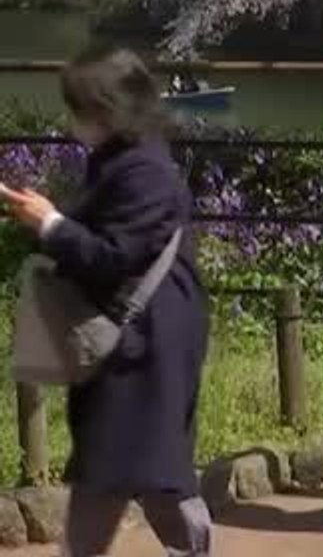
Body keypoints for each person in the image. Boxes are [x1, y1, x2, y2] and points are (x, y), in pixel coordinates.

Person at [1, 48, 211, 556]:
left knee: (127, 468)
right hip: (138, 342)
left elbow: (111, 256)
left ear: (104, 110)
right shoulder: (127, 159)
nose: (73, 121)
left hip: (144, 345)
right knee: (145, 468)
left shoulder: (144, 173)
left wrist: (49, 223)